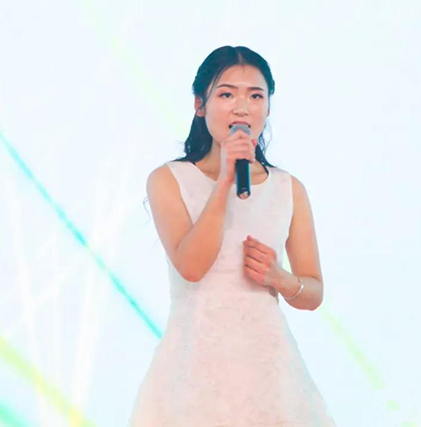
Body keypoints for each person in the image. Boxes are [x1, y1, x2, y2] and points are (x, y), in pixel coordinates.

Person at [129, 45, 337, 426]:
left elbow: (313, 292)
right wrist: (225, 178)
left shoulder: (288, 188)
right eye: (226, 94)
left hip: (270, 373)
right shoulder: (168, 180)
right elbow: (192, 266)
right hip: (193, 369)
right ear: (200, 104)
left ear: (268, 108)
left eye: (255, 96)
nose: (242, 108)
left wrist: (281, 278)